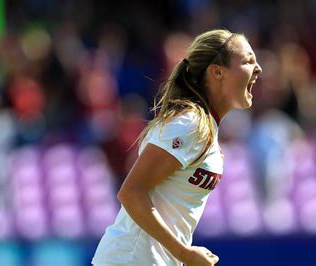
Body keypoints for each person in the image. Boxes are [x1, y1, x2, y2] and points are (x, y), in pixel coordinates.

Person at [91, 28, 262, 266]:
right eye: (248, 61)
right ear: (217, 72)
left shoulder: (204, 125)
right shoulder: (188, 123)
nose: (258, 68)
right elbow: (130, 193)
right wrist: (184, 253)